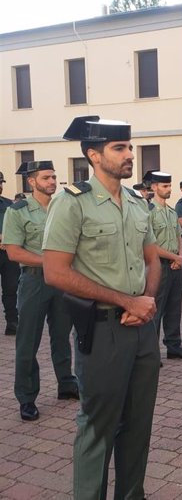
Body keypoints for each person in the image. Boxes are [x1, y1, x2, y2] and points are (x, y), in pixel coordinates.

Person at [42, 116, 161, 500]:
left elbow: (153, 259)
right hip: (103, 329)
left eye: (129, 147)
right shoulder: (70, 202)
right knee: (98, 427)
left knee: (139, 424)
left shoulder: (137, 202)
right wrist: (127, 301)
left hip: (141, 328)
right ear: (94, 155)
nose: (130, 155)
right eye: (119, 148)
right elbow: (55, 272)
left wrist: (147, 302)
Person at [4, 160, 78, 422]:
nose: (52, 182)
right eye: (46, 178)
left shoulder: (64, 207)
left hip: (62, 282)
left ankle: (66, 384)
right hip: (35, 282)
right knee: (28, 340)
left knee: (62, 334)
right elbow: (13, 251)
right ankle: (26, 397)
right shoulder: (18, 211)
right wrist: (51, 262)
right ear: (31, 182)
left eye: (54, 177)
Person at [148, 171, 182, 360]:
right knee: (156, 310)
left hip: (175, 265)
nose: (168, 189)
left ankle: (174, 345)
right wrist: (175, 257)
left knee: (174, 308)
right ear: (154, 188)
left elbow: (179, 238)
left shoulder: (171, 212)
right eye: (164, 186)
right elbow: (150, 245)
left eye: (169, 186)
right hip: (158, 266)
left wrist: (181, 256)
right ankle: (152, 352)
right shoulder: (148, 212)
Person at [0, 171, 20, 336]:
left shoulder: (8, 204)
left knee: (11, 289)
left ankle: (12, 322)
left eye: (0, 183)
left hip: (8, 254)